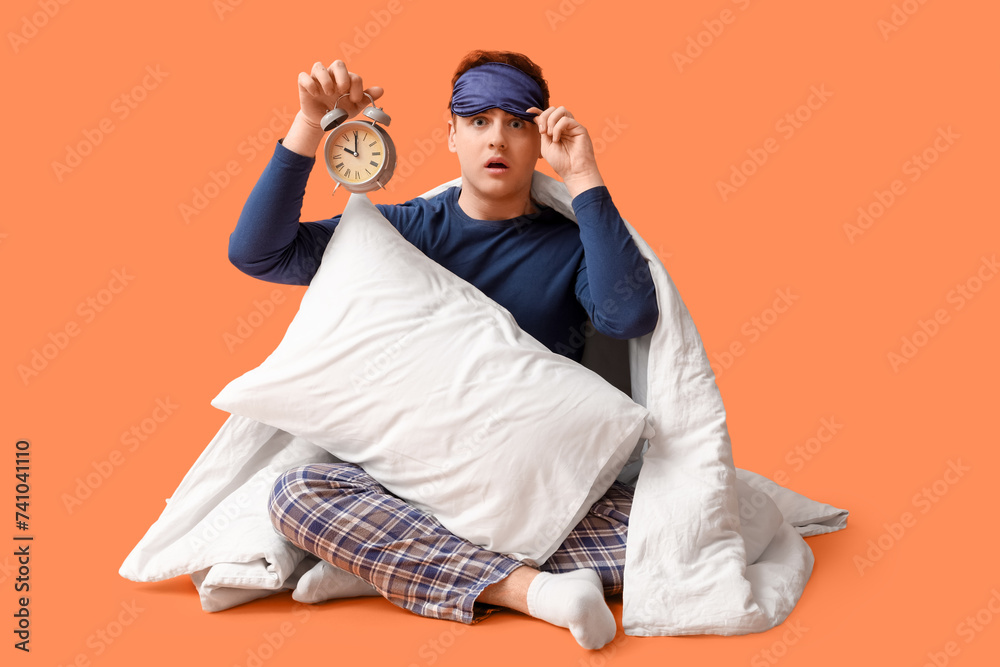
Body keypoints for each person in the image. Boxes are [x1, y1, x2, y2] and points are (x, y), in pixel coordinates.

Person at [228, 51, 659, 651]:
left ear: (540, 139)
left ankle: (384, 567)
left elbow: (630, 313)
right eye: (478, 120)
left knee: (674, 527)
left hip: (525, 479)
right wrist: (308, 124)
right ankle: (532, 592)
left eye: (517, 122)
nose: (497, 138)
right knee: (297, 496)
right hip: (405, 476)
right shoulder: (402, 230)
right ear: (450, 134)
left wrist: (584, 177)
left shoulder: (571, 243)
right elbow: (259, 253)